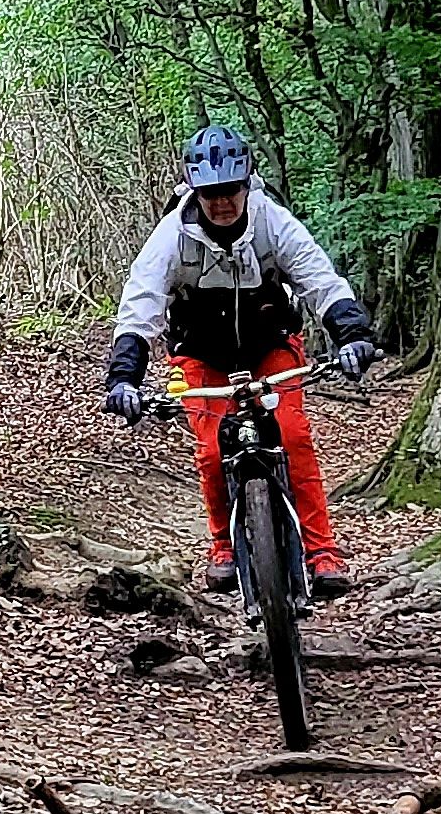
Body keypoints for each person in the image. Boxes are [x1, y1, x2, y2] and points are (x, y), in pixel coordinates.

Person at [102, 125, 377, 597]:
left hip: (270, 345)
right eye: (211, 193)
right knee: (212, 450)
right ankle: (222, 546)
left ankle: (322, 552)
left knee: (292, 436)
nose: (222, 202)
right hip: (200, 353)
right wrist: (124, 376)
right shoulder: (172, 236)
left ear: (247, 183)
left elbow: (318, 279)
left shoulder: (272, 222)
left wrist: (352, 334)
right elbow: (141, 305)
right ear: (194, 190)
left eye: (231, 189)